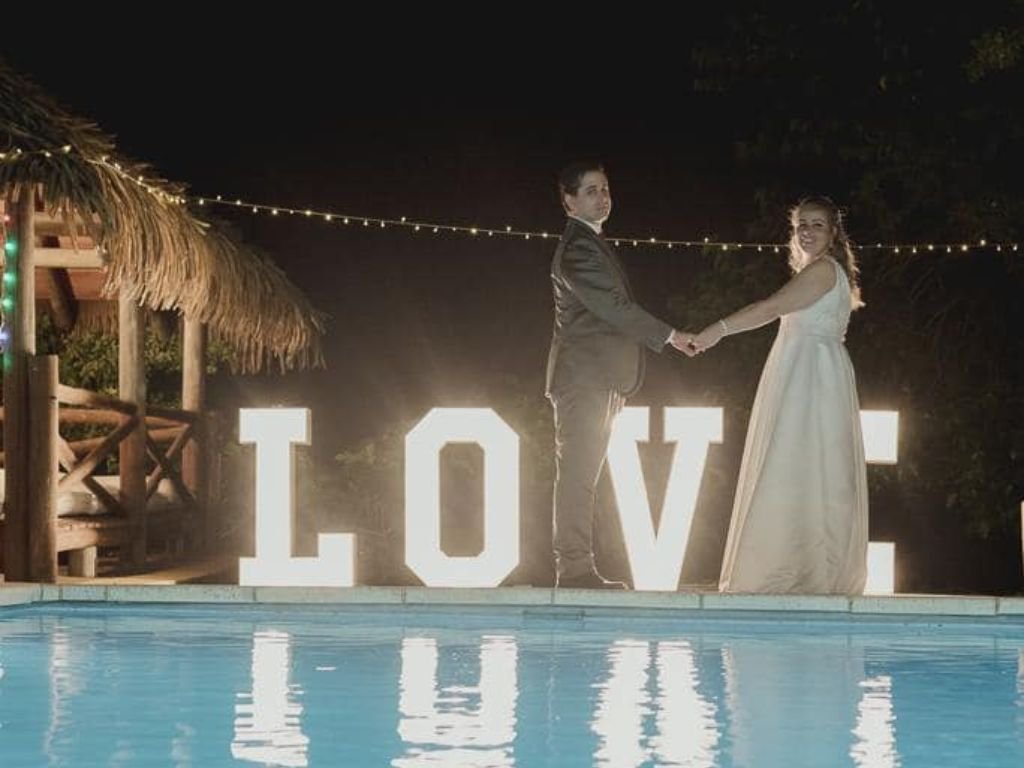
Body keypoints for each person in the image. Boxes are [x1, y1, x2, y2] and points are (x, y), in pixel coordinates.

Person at [689, 196, 868, 594]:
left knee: (797, 464)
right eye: (801, 223)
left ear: (833, 232)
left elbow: (768, 308)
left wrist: (714, 331)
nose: (807, 230)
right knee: (802, 469)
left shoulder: (823, 271)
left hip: (812, 378)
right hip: (806, 370)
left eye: (817, 224)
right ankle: (798, 566)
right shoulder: (819, 271)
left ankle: (794, 571)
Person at [545, 161, 692, 589]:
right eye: (590, 190)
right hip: (583, 378)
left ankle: (578, 567)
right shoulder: (576, 248)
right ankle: (573, 570)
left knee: (583, 475)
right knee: (577, 475)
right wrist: (671, 335)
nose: (602, 197)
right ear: (569, 200)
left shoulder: (591, 243)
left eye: (605, 189)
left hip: (601, 378)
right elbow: (613, 307)